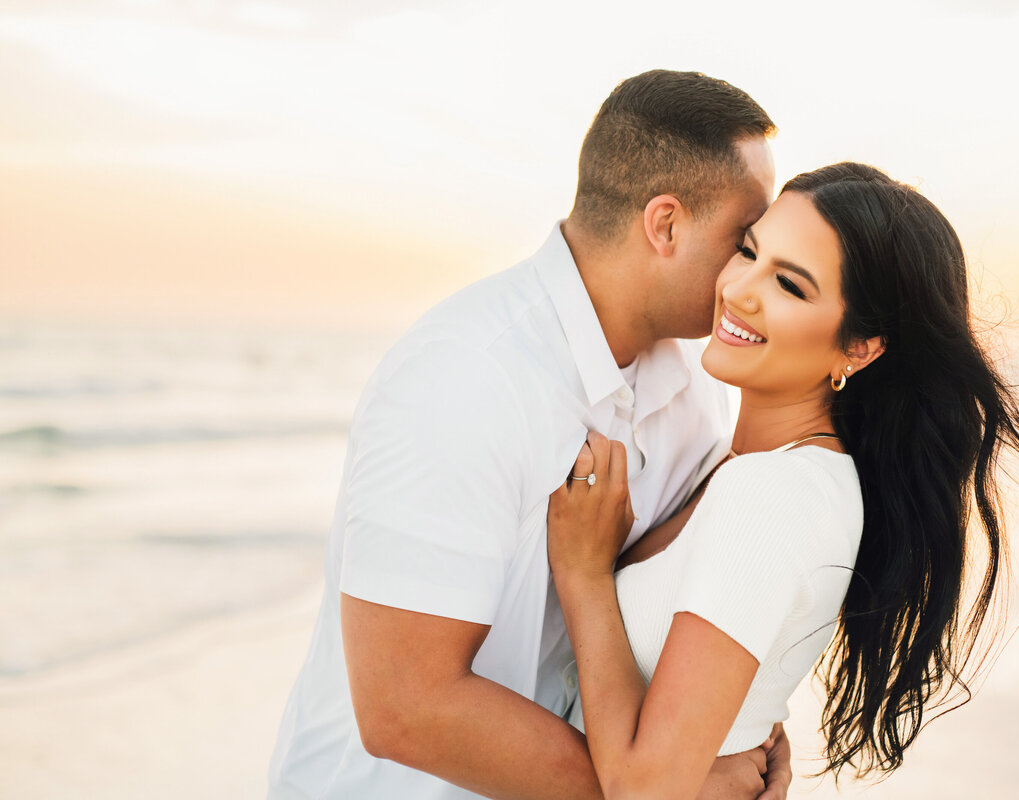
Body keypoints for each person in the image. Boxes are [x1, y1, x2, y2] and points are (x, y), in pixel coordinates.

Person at [546, 162, 1019, 799]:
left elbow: (645, 791)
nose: (739, 289)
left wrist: (585, 574)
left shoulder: (774, 496)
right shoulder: (777, 474)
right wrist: (748, 729)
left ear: (859, 347)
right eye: (748, 251)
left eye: (790, 286)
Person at [267, 70, 792, 799]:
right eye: (745, 240)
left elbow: (674, 613)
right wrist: (667, 789)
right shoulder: (464, 376)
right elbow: (404, 708)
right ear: (665, 225)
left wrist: (743, 737)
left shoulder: (698, 392)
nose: (752, 274)